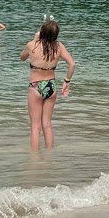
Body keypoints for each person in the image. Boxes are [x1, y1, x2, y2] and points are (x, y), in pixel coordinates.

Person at [19, 19, 75, 150]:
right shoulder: (59, 46)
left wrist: (34, 39)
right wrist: (67, 81)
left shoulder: (32, 45)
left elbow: (22, 57)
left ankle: (35, 159)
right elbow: (72, 64)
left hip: (36, 86)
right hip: (51, 86)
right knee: (47, 125)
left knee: (35, 127)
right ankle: (50, 155)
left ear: (42, 32)